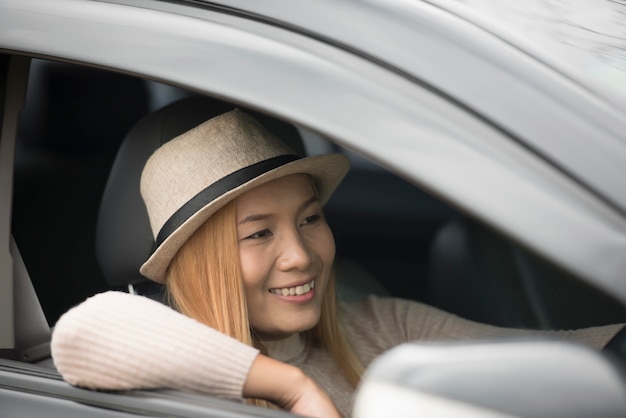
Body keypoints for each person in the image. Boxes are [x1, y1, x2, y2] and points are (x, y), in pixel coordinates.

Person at [51, 109, 623, 418]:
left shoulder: (375, 327)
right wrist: (292, 389)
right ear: (202, 262)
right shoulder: (170, 365)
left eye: (309, 219)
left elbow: (554, 361)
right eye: (258, 234)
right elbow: (81, 334)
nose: (301, 256)